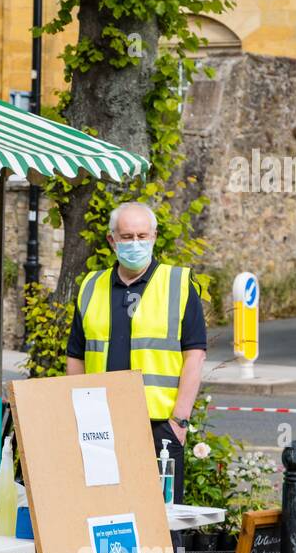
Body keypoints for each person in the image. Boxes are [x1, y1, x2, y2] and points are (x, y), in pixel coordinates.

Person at [65, 201, 207, 527]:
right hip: (101, 424)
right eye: (126, 236)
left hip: (159, 426)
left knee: (160, 523)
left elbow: (194, 356)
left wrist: (179, 422)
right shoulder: (90, 287)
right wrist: (77, 416)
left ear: (155, 236)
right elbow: (76, 356)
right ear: (112, 240)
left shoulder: (179, 284)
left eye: (142, 235)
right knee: (105, 518)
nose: (135, 243)